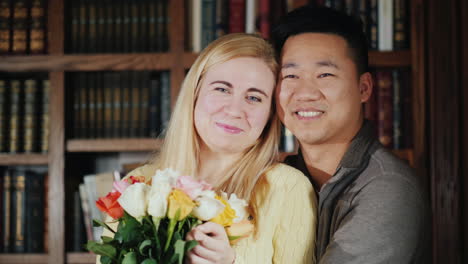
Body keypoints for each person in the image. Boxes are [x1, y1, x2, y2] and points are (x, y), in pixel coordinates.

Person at [121, 33, 316, 263]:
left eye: (254, 98)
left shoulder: (288, 189)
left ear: (270, 113)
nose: (235, 110)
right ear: (194, 94)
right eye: (222, 89)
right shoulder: (136, 188)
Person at [271, 5, 429, 263]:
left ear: (364, 88)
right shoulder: (282, 179)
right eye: (291, 75)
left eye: (325, 74)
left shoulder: (387, 187)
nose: (306, 93)